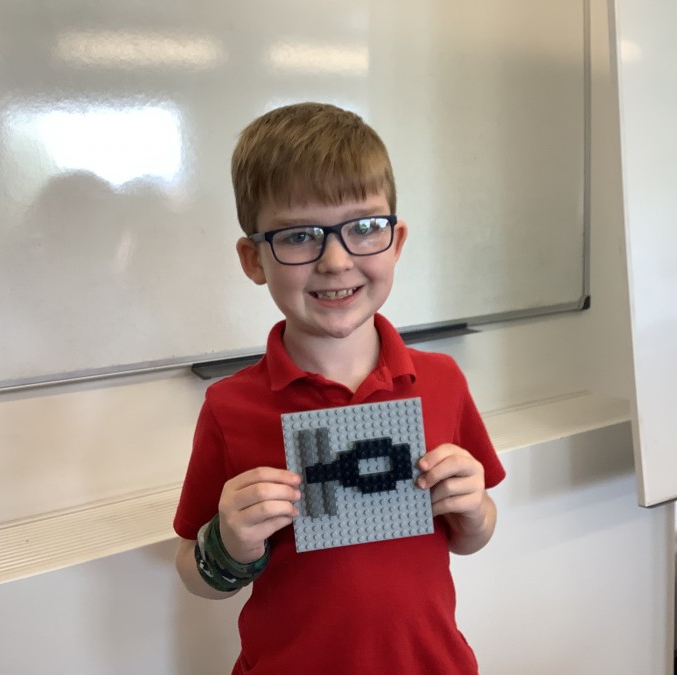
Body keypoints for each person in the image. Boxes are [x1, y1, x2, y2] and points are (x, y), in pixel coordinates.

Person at [174, 102, 506, 674]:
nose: (335, 260)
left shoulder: (442, 381)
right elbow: (193, 570)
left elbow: (469, 534)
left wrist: (476, 514)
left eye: (365, 228)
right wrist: (228, 544)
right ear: (254, 260)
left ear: (396, 242)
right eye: (299, 236)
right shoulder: (231, 407)